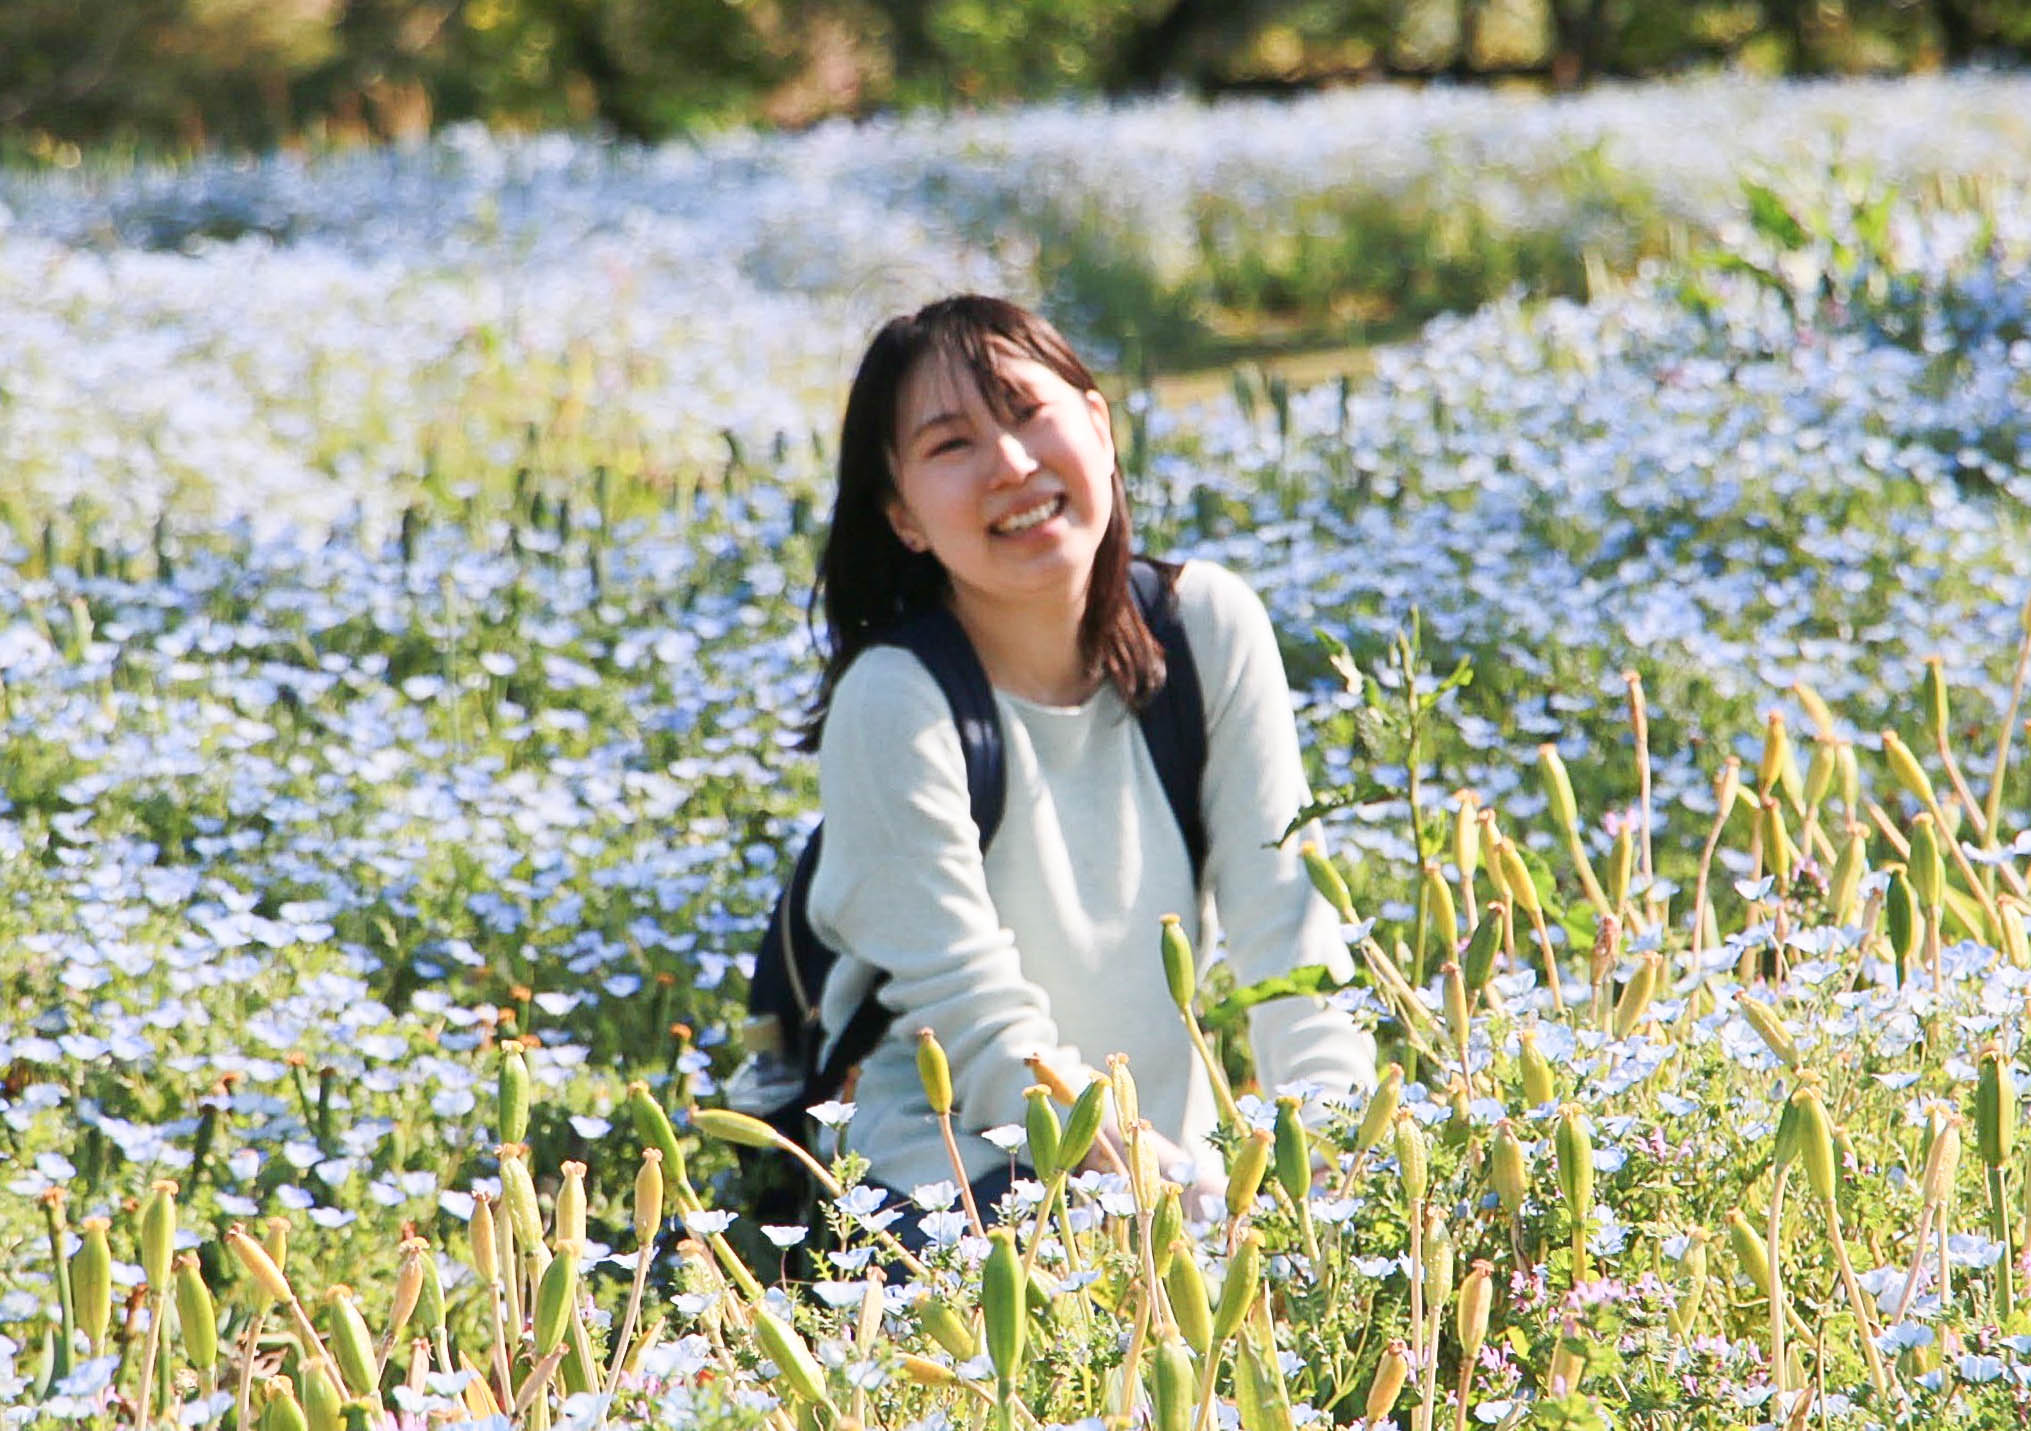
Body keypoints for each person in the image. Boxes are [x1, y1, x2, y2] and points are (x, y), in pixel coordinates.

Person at [804, 294, 1376, 1236]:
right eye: (952, 445)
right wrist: (1158, 1188)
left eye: (1029, 414)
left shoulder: (1206, 631)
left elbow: (1290, 933)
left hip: (1163, 1178)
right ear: (902, 516)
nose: (1012, 465)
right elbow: (973, 1024)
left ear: (1099, 427)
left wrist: (1344, 1175)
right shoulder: (892, 698)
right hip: (954, 1186)